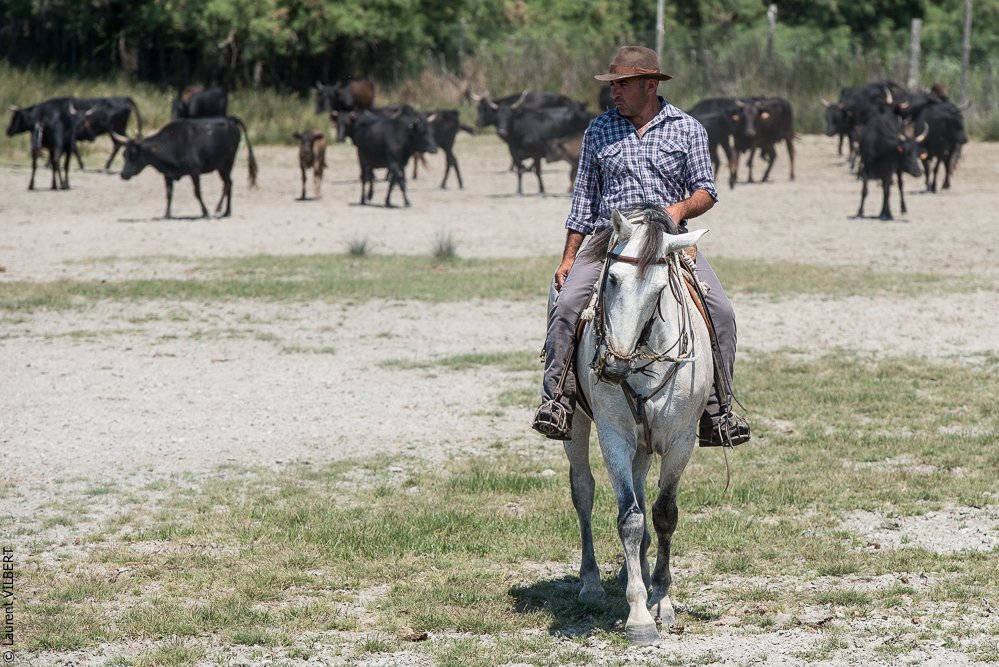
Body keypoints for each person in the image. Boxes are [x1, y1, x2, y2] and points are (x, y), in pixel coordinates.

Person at [532, 46, 751, 447]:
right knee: (565, 306)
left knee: (721, 312)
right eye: (612, 84)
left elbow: (707, 191)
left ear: (650, 85)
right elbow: (583, 201)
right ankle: (557, 402)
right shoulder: (599, 130)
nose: (614, 92)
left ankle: (718, 413)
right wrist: (568, 257)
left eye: (622, 84)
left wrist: (679, 208)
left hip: (668, 242)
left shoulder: (688, 129)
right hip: (608, 242)